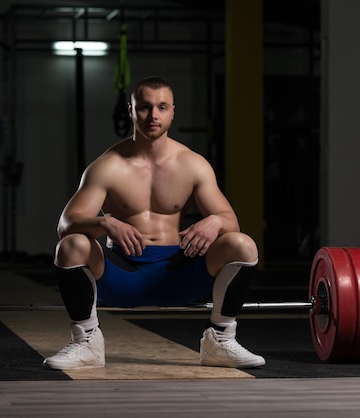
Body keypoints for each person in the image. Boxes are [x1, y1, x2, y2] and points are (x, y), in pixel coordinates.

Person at [44, 76, 265, 370]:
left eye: (162, 107)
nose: (153, 115)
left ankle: (220, 341)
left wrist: (213, 221)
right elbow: (66, 224)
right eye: (145, 107)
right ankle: (86, 343)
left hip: (178, 273)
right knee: (71, 246)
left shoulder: (192, 164)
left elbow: (231, 224)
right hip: (123, 275)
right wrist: (107, 224)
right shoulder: (107, 166)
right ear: (131, 110)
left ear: (173, 111)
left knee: (242, 244)